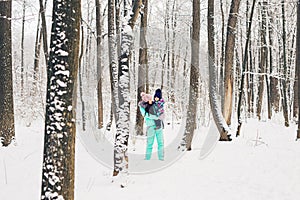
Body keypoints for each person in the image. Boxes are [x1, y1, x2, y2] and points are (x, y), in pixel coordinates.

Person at [139, 91, 164, 161]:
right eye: (147, 99)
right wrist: (156, 117)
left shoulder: (154, 104)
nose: (149, 100)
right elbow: (146, 115)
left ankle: (161, 158)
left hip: (159, 125)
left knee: (160, 143)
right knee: (150, 143)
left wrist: (161, 116)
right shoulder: (142, 106)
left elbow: (160, 112)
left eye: (150, 99)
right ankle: (147, 158)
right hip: (150, 126)